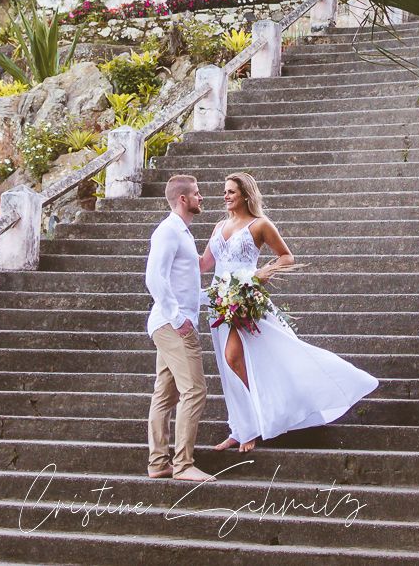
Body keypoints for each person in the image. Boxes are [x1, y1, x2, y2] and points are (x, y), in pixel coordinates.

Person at [201, 171, 378, 453]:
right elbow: (203, 264)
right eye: (225, 191)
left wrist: (262, 273)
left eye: (231, 192)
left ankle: (259, 420)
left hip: (244, 298)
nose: (225, 196)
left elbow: (287, 256)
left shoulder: (260, 225)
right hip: (219, 300)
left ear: (245, 195)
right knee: (228, 366)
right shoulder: (219, 226)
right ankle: (241, 427)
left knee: (233, 358)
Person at [144, 173, 215, 481]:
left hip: (171, 321)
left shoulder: (183, 232)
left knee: (164, 395)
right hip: (172, 325)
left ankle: (159, 463)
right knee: (195, 390)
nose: (201, 198)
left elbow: (183, 282)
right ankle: (183, 464)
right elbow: (154, 278)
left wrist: (213, 296)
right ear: (183, 199)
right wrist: (177, 318)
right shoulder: (169, 231)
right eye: (197, 194)